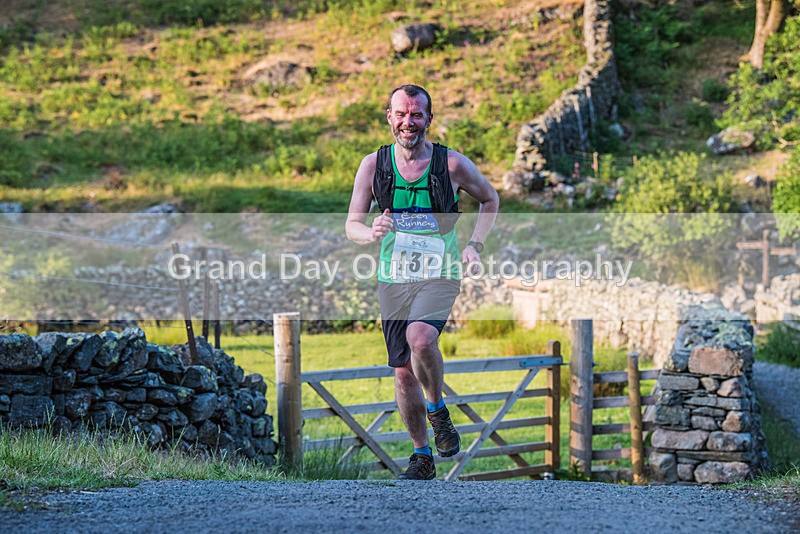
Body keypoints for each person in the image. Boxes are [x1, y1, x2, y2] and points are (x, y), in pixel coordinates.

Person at [345, 84, 499, 480]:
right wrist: (371, 231)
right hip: (393, 277)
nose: (408, 122)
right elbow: (352, 225)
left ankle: (437, 408)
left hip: (439, 272)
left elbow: (490, 199)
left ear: (429, 118)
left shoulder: (451, 165)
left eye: (416, 115)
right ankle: (421, 456)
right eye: (401, 114)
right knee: (401, 371)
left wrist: (475, 246)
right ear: (389, 117)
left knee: (420, 339)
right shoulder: (372, 165)